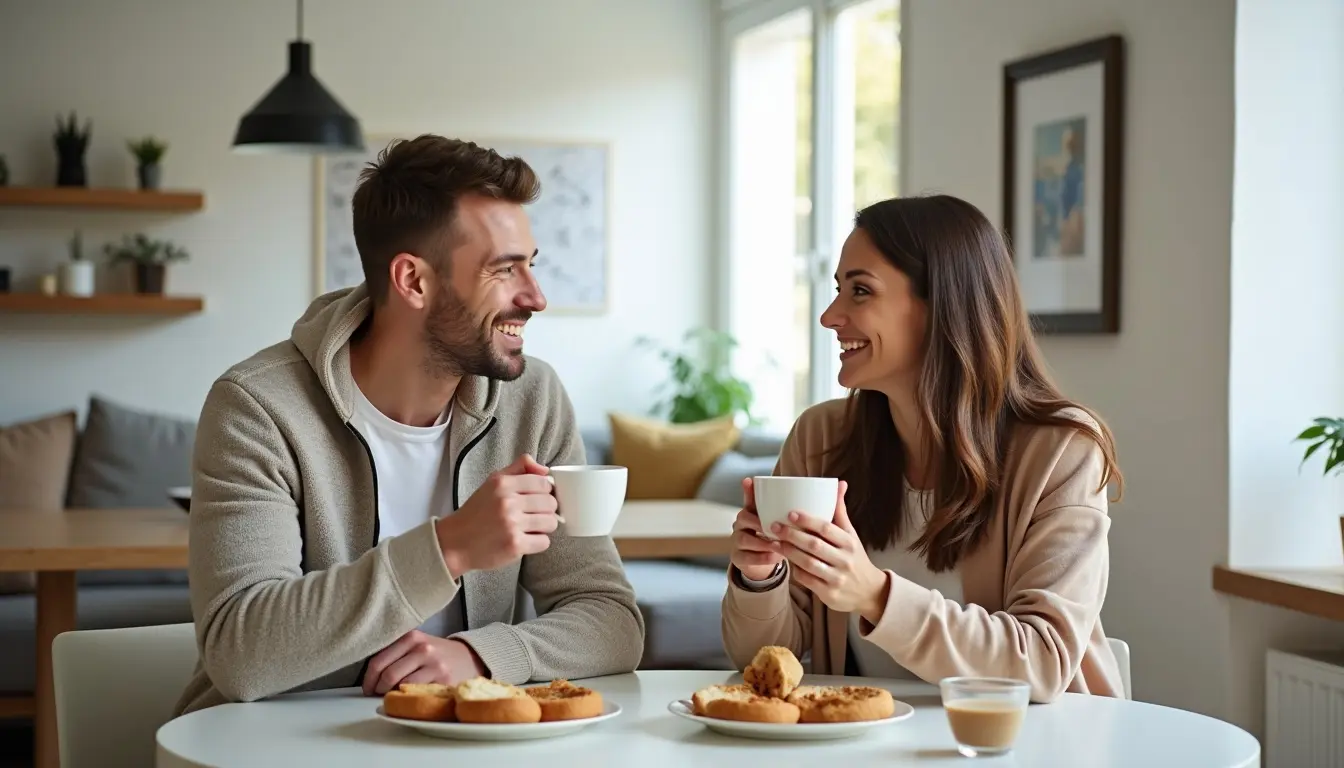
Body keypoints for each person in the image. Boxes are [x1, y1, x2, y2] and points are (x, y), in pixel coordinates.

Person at [174, 135, 645, 715]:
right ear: (413, 281)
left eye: (532, 265)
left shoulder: (532, 399)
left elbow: (611, 619)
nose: (537, 297)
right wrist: (449, 547)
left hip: (454, 747)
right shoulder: (258, 408)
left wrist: (482, 657)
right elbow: (241, 655)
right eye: (505, 269)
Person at [721, 194, 1126, 703]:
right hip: (866, 745)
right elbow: (765, 661)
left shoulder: (1061, 453)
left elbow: (1041, 662)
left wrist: (875, 594)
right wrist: (760, 579)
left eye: (860, 291)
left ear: (942, 306)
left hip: (1028, 746)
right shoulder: (821, 438)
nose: (829, 316)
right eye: (837, 290)